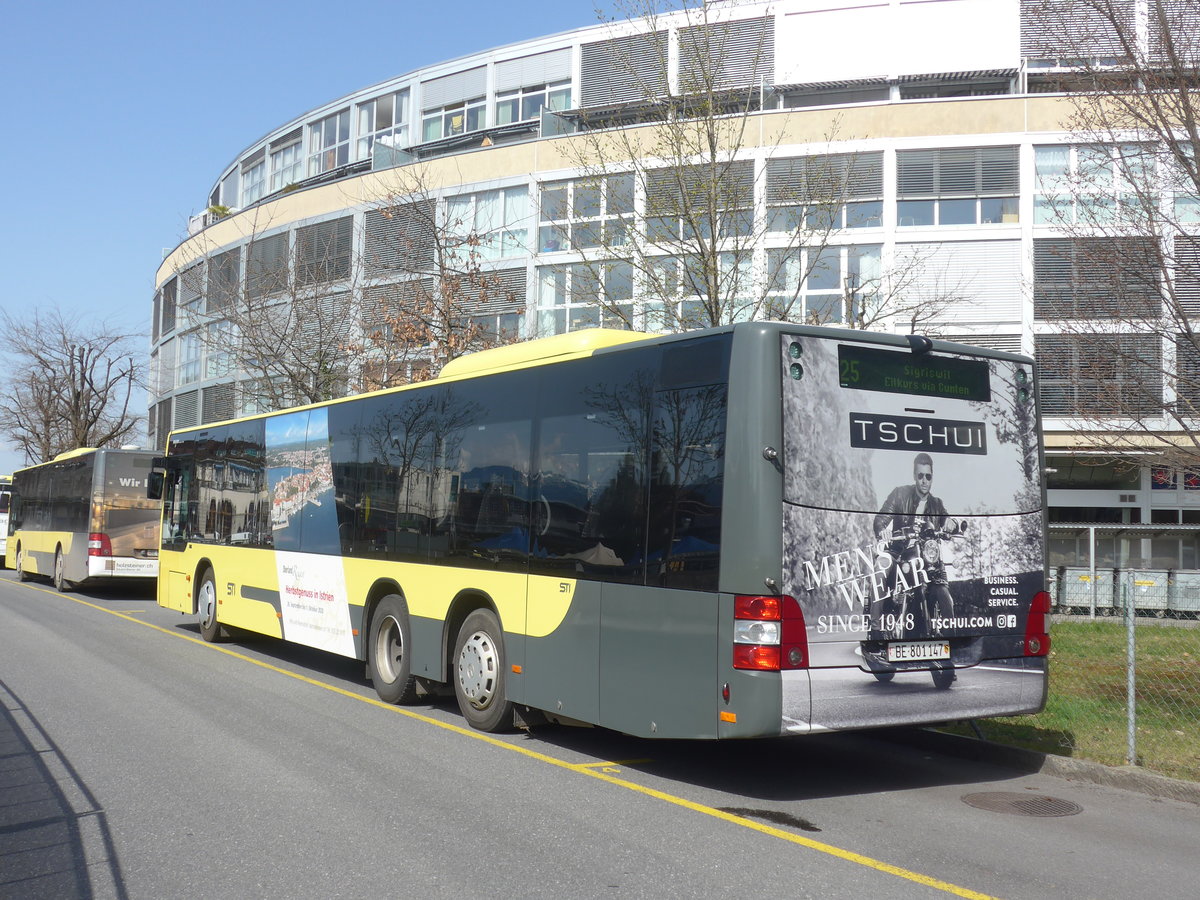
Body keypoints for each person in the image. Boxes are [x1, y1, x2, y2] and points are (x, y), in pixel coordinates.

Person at [871, 453, 958, 631]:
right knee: (879, 571)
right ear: (914, 476)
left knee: (945, 593)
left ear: (932, 477)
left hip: (926, 560)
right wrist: (882, 530)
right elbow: (881, 519)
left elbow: (949, 521)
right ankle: (876, 631)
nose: (924, 480)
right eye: (920, 476)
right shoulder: (899, 494)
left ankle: (951, 639)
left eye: (928, 476)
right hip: (897, 554)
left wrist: (952, 524)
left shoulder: (936, 505)